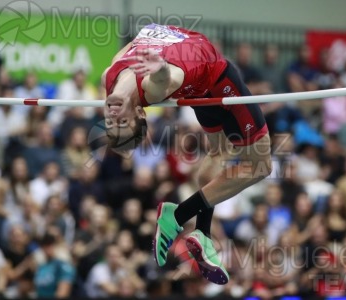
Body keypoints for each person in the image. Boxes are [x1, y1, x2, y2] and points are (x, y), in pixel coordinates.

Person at [102, 24, 272, 284]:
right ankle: (178, 216)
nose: (114, 118)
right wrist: (158, 66)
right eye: (122, 123)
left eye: (111, 123)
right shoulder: (150, 87)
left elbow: (136, 44)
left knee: (219, 153)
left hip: (196, 88)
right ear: (139, 113)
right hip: (216, 78)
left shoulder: (108, 77)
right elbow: (161, 79)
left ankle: (201, 232)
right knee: (261, 166)